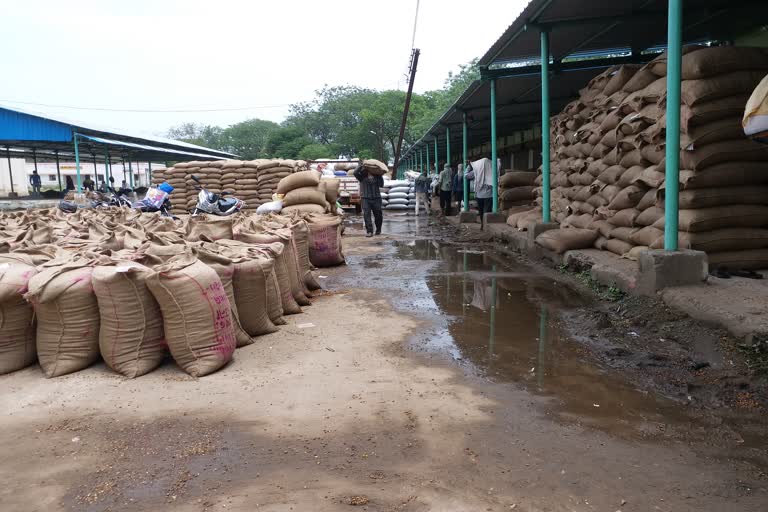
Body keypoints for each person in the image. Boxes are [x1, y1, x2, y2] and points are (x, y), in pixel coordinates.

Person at [353, 164, 384, 237]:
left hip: (376, 198)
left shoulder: (377, 176)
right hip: (365, 198)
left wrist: (380, 174)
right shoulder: (362, 177)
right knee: (367, 215)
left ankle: (378, 229)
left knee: (378, 215)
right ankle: (369, 231)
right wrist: (361, 164)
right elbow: (355, 173)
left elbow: (381, 185)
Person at [465, 157, 496, 228]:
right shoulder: (492, 169)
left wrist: (469, 166)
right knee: (487, 211)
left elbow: (466, 175)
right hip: (489, 195)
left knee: (481, 211)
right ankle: (486, 225)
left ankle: (482, 224)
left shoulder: (477, 170)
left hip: (479, 195)